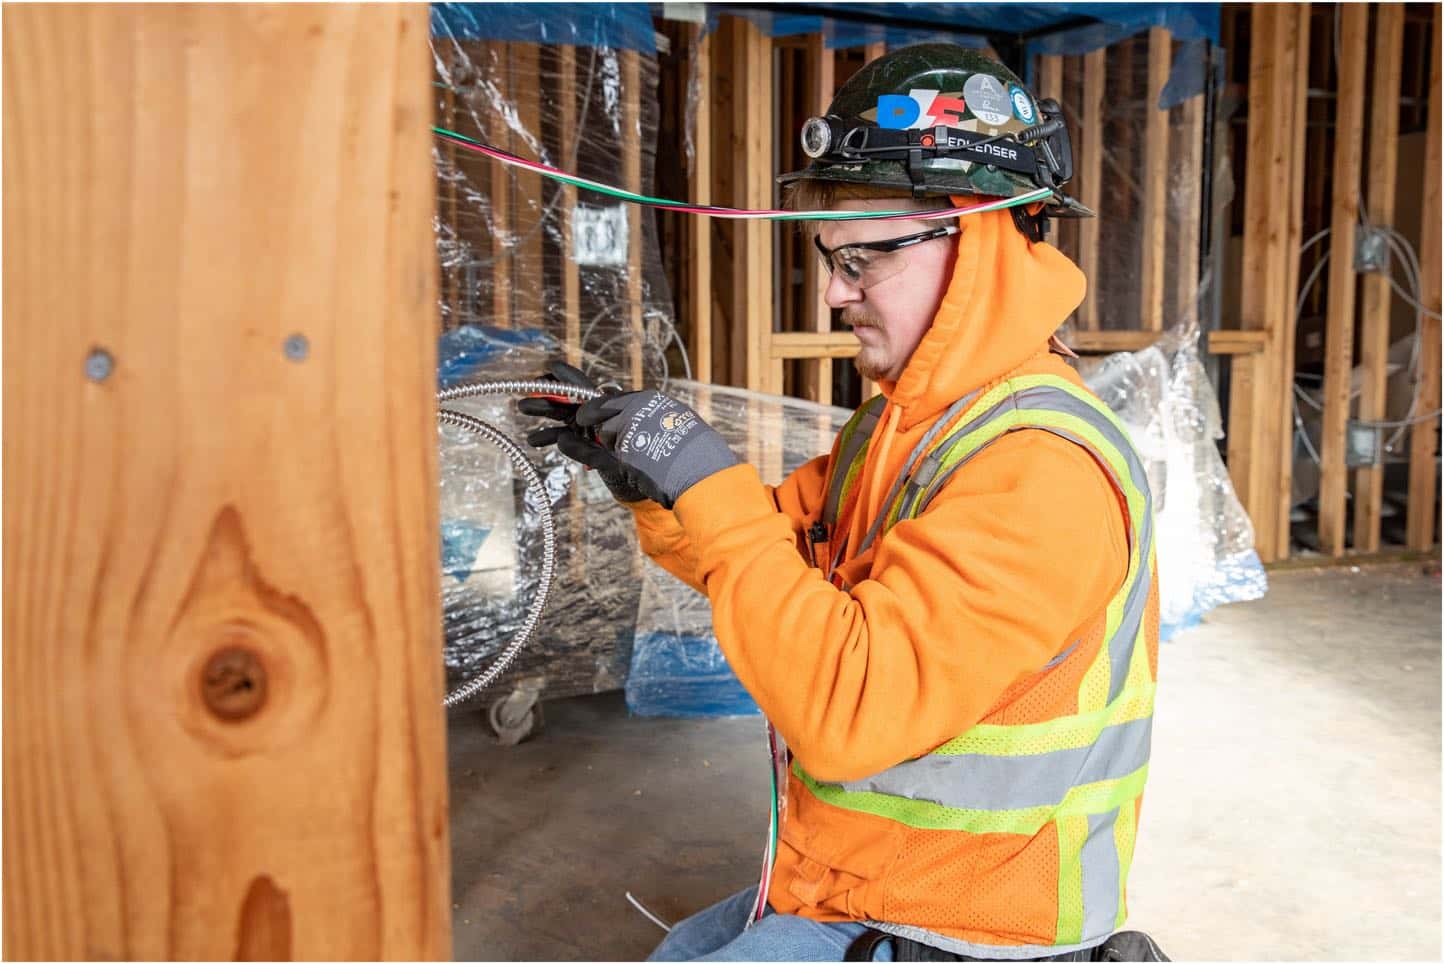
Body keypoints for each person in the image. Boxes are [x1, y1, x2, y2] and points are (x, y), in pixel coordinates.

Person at [522, 44, 1163, 963]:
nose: (832, 292)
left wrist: (707, 482)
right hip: (861, 876)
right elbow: (766, 561)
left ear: (973, 235)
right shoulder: (903, 425)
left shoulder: (1037, 466)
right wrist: (659, 491)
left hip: (966, 925)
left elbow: (849, 711)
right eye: (831, 258)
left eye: (862, 258)